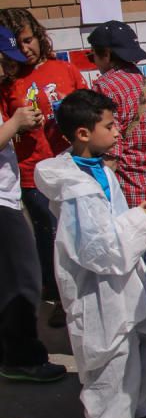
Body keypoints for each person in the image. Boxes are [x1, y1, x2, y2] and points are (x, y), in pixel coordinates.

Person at [35, 89, 146, 418]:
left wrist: (132, 218)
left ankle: (133, 403)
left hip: (122, 278)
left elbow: (112, 230)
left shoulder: (99, 171)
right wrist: (139, 221)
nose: (117, 133)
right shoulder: (77, 188)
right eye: (109, 126)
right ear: (83, 133)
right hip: (96, 287)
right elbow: (97, 250)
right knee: (110, 358)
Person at [88, 20, 146, 374]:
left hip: (127, 194)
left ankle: (145, 345)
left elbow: (106, 144)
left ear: (106, 54)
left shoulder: (103, 89)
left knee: (129, 275)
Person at [0, 8, 88, 328]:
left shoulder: (63, 69)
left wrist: (71, 108)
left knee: (78, 234)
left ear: (38, 35)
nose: (25, 49)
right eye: (18, 43)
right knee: (51, 237)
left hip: (72, 167)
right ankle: (62, 298)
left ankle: (79, 295)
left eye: (28, 40)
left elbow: (90, 113)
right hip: (31, 172)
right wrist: (18, 125)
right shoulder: (8, 82)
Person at [0, 28, 67, 383]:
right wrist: (16, 123)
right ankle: (22, 358)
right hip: (4, 199)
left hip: (9, 193)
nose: (9, 69)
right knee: (24, 280)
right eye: (4, 61)